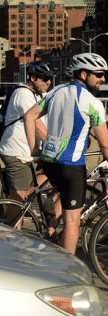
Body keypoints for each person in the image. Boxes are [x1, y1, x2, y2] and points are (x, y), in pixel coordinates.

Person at [24, 53, 108, 255]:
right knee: (73, 222)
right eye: (98, 74)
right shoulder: (92, 103)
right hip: (70, 166)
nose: (103, 79)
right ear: (83, 74)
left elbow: (29, 116)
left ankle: (51, 224)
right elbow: (105, 143)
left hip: (49, 163)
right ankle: (66, 273)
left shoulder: (55, 92)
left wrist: (34, 148)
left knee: (66, 195)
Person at [0, 61, 54, 228]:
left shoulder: (41, 96)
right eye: (44, 79)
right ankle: (12, 237)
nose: (48, 82)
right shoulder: (23, 93)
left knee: (53, 175)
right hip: (16, 151)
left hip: (30, 152)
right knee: (20, 197)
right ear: (32, 78)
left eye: (50, 79)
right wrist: (54, 145)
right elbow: (36, 123)